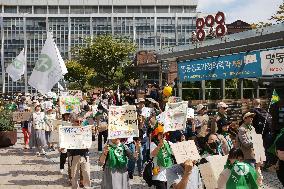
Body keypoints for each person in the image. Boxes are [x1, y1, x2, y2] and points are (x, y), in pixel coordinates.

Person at [68, 115, 91, 189]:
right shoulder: (68, 131)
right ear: (73, 122)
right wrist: (62, 148)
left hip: (84, 155)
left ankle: (87, 187)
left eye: (81, 121)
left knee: (87, 173)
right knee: (74, 175)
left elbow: (91, 140)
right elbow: (65, 143)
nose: (79, 123)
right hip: (73, 155)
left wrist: (92, 133)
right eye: (77, 121)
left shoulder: (86, 130)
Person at [150, 124, 174, 189]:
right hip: (158, 173)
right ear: (157, 135)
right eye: (160, 134)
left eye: (164, 134)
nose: (162, 136)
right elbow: (152, 154)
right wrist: (159, 146)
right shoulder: (153, 144)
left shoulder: (169, 143)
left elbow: (175, 152)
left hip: (169, 172)